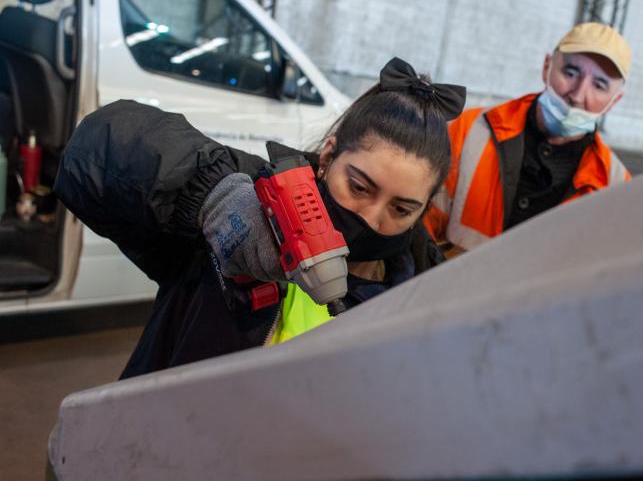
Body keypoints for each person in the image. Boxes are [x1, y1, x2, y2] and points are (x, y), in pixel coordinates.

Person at [54, 57, 465, 378]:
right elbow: (97, 146)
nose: (372, 218)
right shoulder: (255, 201)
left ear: (424, 208)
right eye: (358, 187)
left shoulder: (431, 287)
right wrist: (210, 198)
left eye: (401, 208)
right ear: (328, 157)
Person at [424, 22, 632, 256]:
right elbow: (423, 224)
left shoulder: (617, 184)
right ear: (546, 67)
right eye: (570, 73)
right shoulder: (469, 130)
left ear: (614, 100)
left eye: (599, 85)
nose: (578, 95)